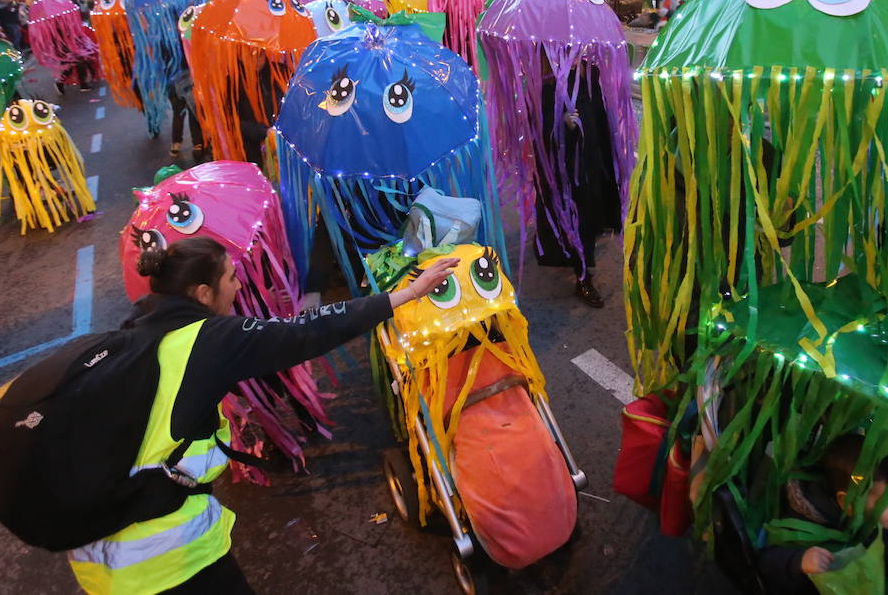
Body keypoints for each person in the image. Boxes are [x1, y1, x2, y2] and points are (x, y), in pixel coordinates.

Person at [65, 236, 458, 593]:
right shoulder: (211, 339)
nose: (238, 286)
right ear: (203, 293)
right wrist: (405, 295)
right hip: (163, 557)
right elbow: (307, 330)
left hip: (98, 557)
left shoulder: (137, 327)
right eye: (231, 278)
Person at [756, 435, 888, 592]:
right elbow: (765, 562)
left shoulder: (882, 529)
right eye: (885, 501)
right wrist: (799, 560)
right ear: (847, 502)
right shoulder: (806, 520)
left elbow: (887, 563)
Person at [533, 60, 621, 308]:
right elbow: (537, 120)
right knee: (562, 215)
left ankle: (583, 273)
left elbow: (601, 116)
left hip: (590, 161)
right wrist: (560, 124)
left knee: (586, 216)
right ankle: (579, 272)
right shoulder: (545, 75)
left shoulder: (591, 73)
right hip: (559, 166)